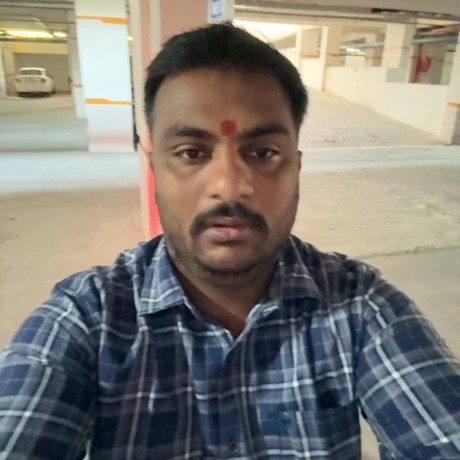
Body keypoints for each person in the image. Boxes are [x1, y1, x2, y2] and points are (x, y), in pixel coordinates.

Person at [0, 23, 459, 460]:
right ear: (154, 167)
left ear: (296, 166)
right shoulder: (88, 318)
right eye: (191, 153)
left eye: (262, 153)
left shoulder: (360, 307)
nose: (229, 186)